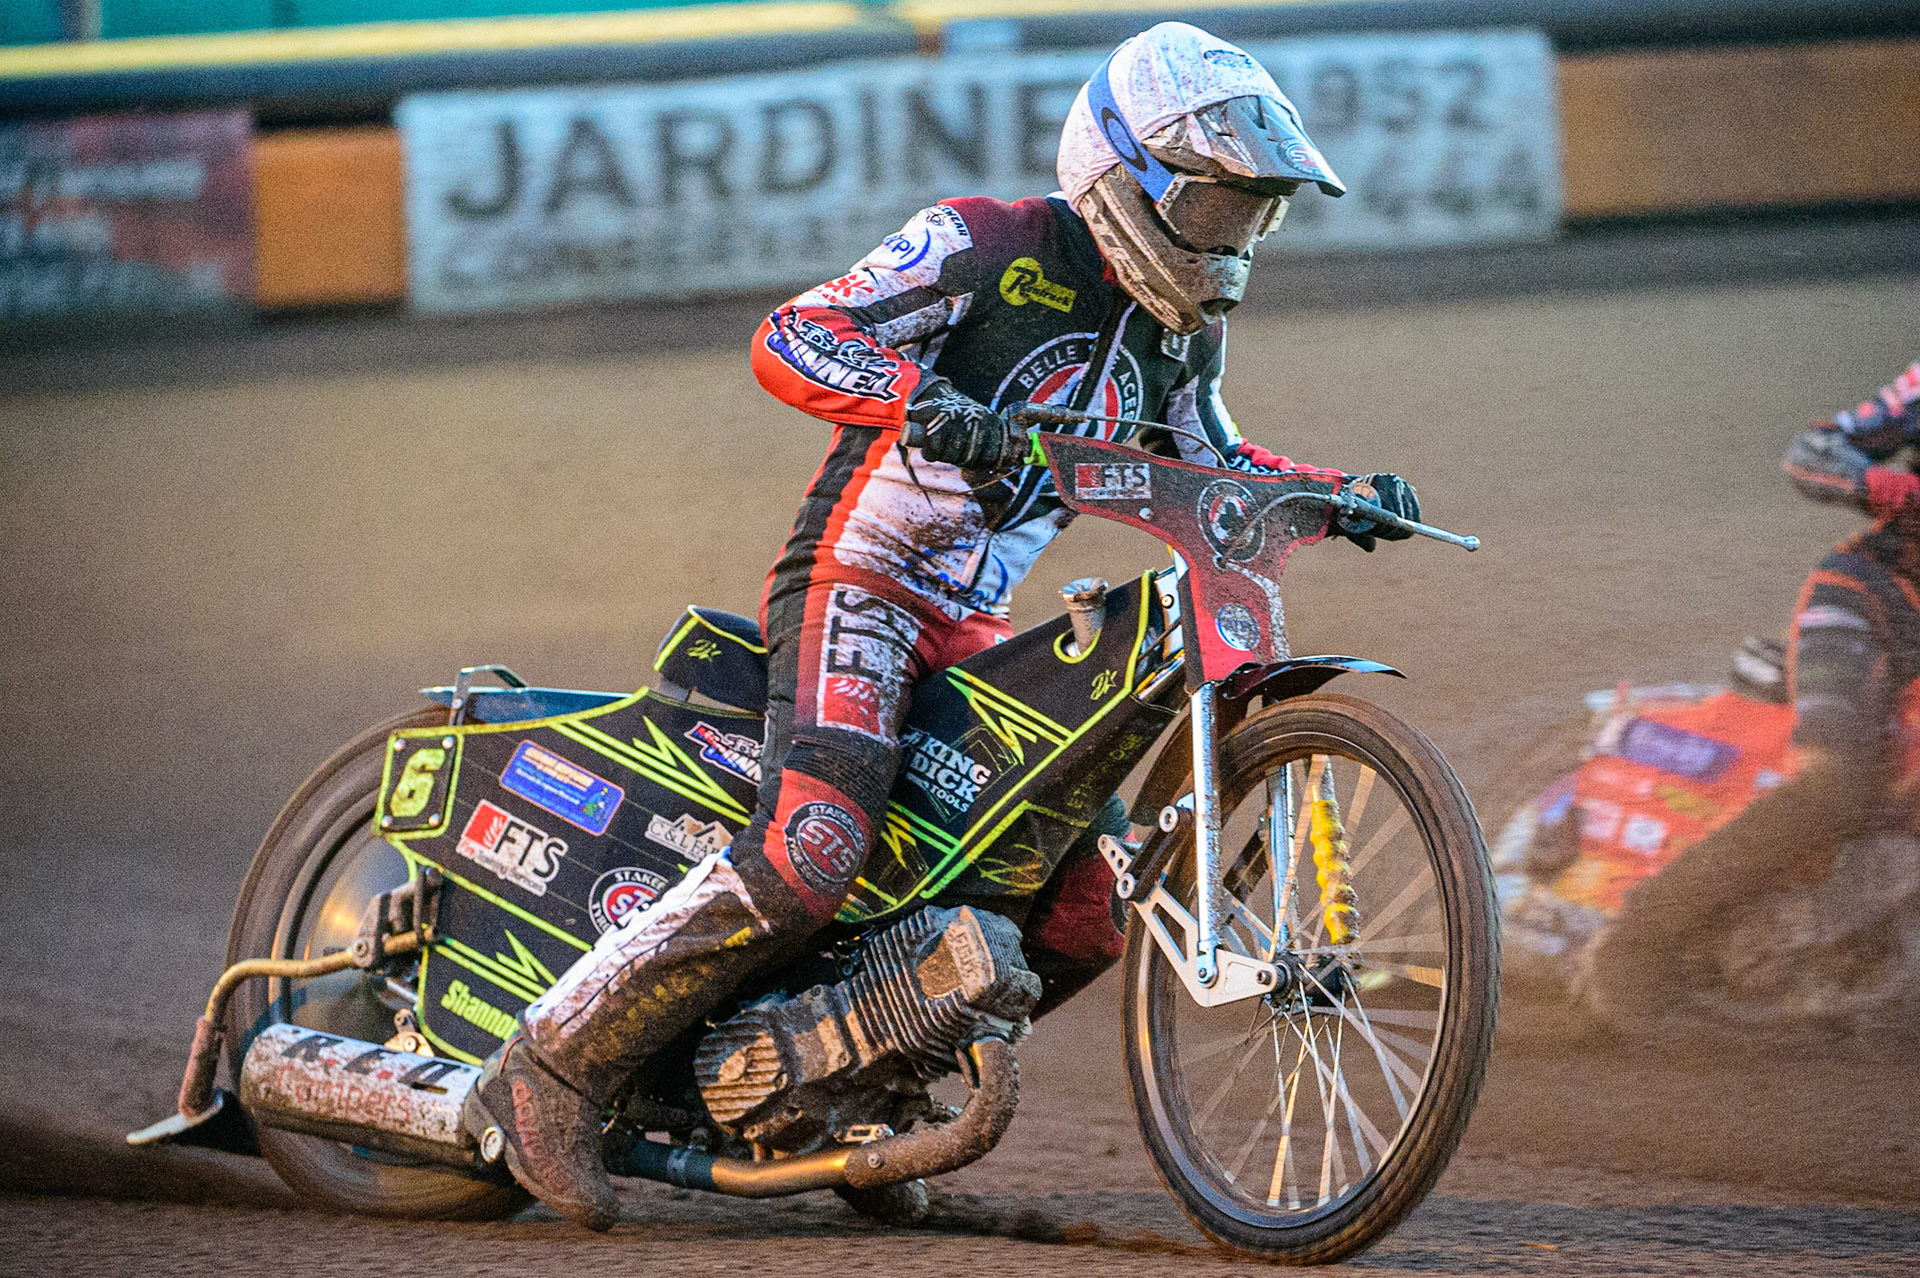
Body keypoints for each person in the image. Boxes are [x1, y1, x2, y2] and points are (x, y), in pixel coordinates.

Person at [465, 22, 1423, 1229]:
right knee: (816, 844)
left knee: (1090, 910)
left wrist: (1334, 494)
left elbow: (1208, 461)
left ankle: (856, 1084)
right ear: (1127, 176)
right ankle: (548, 1068)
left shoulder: (1185, 333)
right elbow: (796, 333)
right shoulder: (985, 242)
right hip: (858, 583)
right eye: (1215, 205)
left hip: (976, 622)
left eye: (1253, 215)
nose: (1231, 239)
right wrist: (923, 400)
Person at [1586, 360, 1920, 1021]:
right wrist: (1877, 483)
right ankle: (1636, 944)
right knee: (1839, 781)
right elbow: (1812, 451)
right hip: (1876, 597)